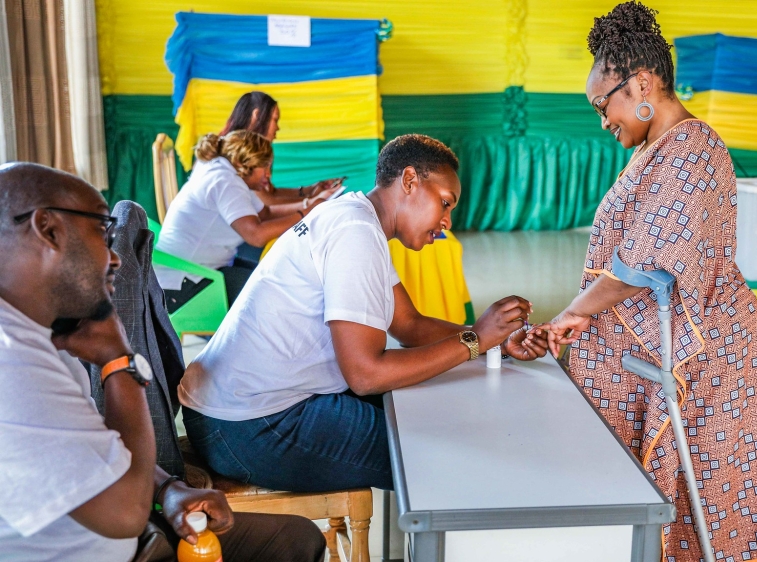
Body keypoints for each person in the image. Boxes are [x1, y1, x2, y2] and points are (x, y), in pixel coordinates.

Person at [528, 3, 757, 561]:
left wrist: (571, 313)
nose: (604, 121)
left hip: (703, 352)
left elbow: (644, 263)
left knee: (703, 497)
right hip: (662, 346)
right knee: (655, 499)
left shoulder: (692, 151)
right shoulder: (657, 148)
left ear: (642, 84)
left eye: (604, 105)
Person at [178, 134, 547, 493]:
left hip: (236, 408)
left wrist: (493, 340)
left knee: (433, 408)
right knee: (449, 453)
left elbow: (409, 325)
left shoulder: (357, 219)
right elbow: (366, 375)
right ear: (409, 180)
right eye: (445, 203)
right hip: (249, 425)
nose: (447, 220)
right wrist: (475, 339)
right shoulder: (355, 229)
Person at [0, 162, 326, 561]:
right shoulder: (12, 360)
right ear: (48, 229)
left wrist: (168, 489)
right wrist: (118, 361)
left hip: (134, 534)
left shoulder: (41, 329)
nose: (116, 256)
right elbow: (125, 516)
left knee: (296, 540)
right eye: (104, 231)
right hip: (114, 540)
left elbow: (95, 447)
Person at [155, 130, 333, 309]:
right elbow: (256, 236)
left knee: (272, 275)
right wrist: (306, 213)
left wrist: (310, 206)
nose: (268, 176)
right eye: (265, 167)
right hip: (182, 285)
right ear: (245, 164)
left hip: (191, 272)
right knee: (276, 294)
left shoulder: (224, 172)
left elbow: (266, 214)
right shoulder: (225, 181)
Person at [215, 91, 344, 206]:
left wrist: (310, 190)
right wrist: (312, 201)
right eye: (275, 120)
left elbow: (271, 193)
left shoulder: (251, 150)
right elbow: (267, 203)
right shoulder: (238, 153)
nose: (278, 128)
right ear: (256, 115)